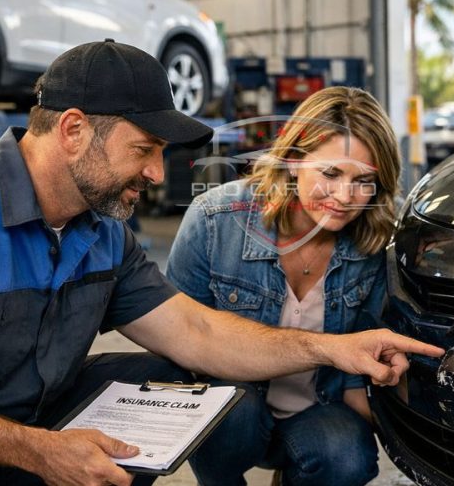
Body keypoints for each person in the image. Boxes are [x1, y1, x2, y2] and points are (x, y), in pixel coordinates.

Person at [0, 40, 443, 486]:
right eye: (144, 149)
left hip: (41, 418)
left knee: (165, 381)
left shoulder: (104, 234)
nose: (158, 174)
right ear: (73, 130)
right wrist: (39, 450)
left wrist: (334, 349)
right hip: (4, 438)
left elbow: (196, 332)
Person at [166, 86, 407, 486]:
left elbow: (354, 377)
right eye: (330, 173)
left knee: (348, 457)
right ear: (293, 160)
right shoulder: (215, 220)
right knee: (231, 408)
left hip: (318, 407)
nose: (345, 198)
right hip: (231, 417)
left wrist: (407, 414)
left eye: (364, 181)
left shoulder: (373, 242)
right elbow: (173, 341)